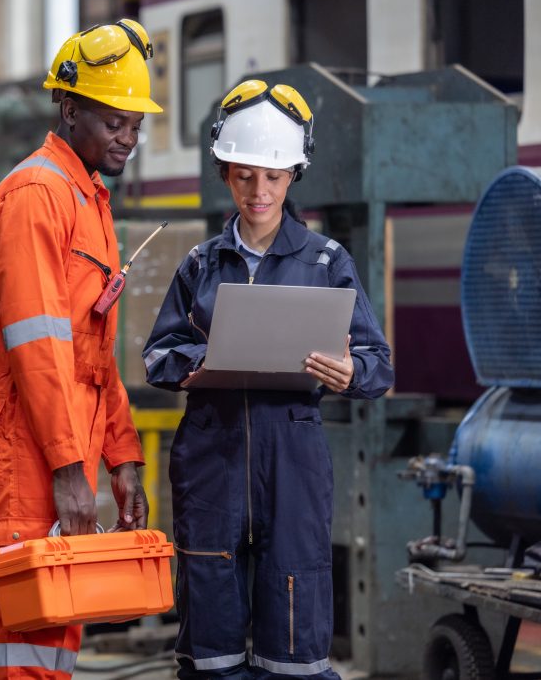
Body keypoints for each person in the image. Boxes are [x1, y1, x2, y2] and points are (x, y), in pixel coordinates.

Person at [142, 80, 394, 680]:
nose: (260, 191)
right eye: (246, 175)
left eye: (273, 177)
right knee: (211, 628)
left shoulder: (327, 261)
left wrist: (350, 370)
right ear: (226, 173)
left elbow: (379, 363)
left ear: (293, 177)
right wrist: (196, 364)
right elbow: (158, 355)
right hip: (212, 453)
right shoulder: (200, 264)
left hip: (292, 456)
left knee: (294, 618)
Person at [0, 19, 163, 679]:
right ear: (69, 107)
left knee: (52, 644)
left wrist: (122, 457)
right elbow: (38, 347)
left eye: (135, 122)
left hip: (55, 445)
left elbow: (93, 355)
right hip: (24, 449)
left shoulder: (88, 196)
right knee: (23, 647)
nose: (127, 137)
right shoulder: (37, 195)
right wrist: (71, 467)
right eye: (113, 121)